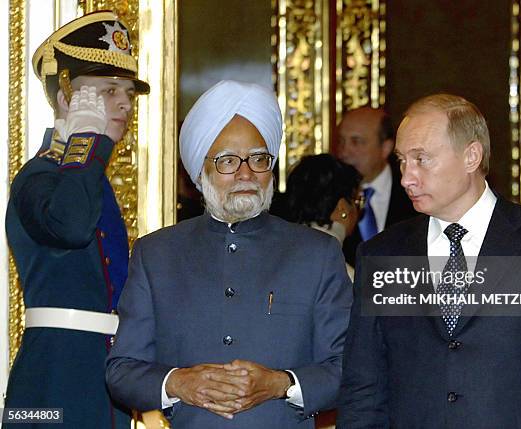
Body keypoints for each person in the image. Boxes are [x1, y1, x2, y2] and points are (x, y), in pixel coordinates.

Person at [336, 94, 521, 428]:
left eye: (422, 159)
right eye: (402, 161)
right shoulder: (381, 254)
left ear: (471, 156)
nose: (408, 177)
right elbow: (362, 388)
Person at [105, 80, 353, 428]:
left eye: (258, 159)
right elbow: (122, 370)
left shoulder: (316, 253)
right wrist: (178, 383)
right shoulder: (156, 254)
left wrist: (281, 384)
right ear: (200, 171)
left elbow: (348, 367)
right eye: (227, 161)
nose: (246, 173)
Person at [3, 11, 149, 428]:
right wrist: (85, 141)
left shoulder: (88, 179)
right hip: (53, 383)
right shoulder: (40, 176)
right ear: (66, 96)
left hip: (100, 376)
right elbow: (70, 225)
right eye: (107, 90)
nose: (124, 102)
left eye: (128, 92)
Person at [336, 107, 418, 266]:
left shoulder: (414, 190)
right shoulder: (330, 194)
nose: (344, 152)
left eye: (356, 142)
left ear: (386, 147)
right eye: (341, 141)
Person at [285, 154, 362, 280]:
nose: (359, 211)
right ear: (342, 208)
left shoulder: (276, 256)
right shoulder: (346, 278)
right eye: (359, 202)